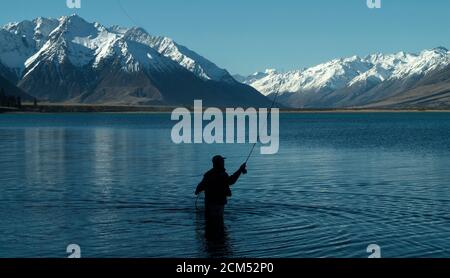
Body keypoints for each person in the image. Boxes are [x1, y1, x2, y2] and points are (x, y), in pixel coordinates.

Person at [195, 155, 247, 223]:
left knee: (210, 222)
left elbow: (200, 187)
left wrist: (197, 190)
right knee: (218, 222)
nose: (223, 162)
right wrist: (240, 170)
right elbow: (231, 181)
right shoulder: (222, 175)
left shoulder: (208, 174)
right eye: (222, 161)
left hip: (209, 203)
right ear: (219, 163)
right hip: (219, 204)